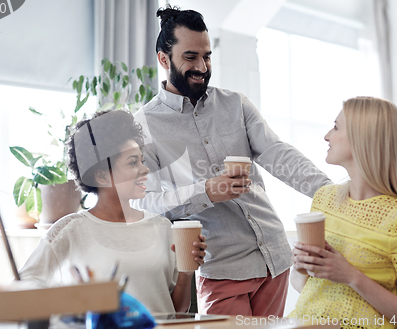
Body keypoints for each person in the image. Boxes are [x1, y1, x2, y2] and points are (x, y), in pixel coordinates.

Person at [132, 5, 332, 316]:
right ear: (163, 58)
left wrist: (332, 194)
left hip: (274, 257)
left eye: (207, 56)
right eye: (190, 57)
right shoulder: (144, 125)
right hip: (220, 267)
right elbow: (143, 204)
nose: (202, 66)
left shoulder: (236, 104)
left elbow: (278, 154)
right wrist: (206, 191)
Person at [18, 109, 207, 314]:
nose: (144, 169)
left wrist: (186, 274)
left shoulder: (162, 228)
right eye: (133, 162)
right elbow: (23, 287)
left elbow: (177, 311)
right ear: (101, 177)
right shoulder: (69, 231)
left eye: (141, 161)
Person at [289, 97, 397, 329]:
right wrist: (300, 265)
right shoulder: (324, 199)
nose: (327, 136)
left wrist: (351, 276)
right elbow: (300, 285)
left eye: (336, 127)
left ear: (362, 138)